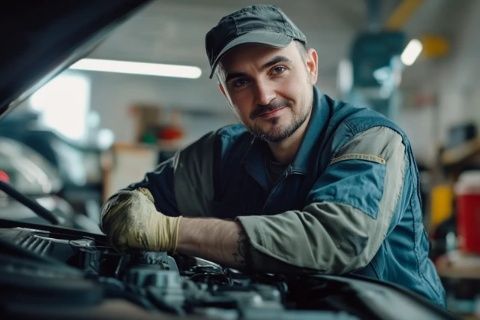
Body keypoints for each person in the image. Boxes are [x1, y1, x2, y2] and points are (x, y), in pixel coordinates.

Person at [101, 4, 445, 306]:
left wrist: (171, 232)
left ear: (310, 67)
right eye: (240, 82)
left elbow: (334, 240)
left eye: (277, 69)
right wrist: (129, 213)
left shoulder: (369, 138)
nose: (264, 96)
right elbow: (130, 205)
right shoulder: (219, 154)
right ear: (225, 93)